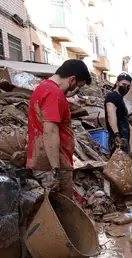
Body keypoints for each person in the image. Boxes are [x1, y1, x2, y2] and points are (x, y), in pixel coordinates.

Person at [26, 59, 91, 198]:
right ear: (72, 79)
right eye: (77, 86)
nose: (75, 91)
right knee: (62, 213)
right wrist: (56, 169)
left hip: (44, 161)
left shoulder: (43, 88)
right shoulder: (54, 94)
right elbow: (50, 131)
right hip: (53, 166)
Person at [104, 72, 132, 154]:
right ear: (117, 83)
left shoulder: (119, 98)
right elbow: (111, 114)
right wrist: (117, 134)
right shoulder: (112, 96)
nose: (126, 87)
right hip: (118, 140)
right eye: (123, 84)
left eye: (128, 86)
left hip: (122, 139)